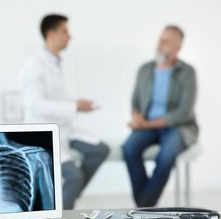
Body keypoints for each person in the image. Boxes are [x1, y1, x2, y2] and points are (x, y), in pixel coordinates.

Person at [19, 14, 109, 209]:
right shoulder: (34, 66)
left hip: (64, 128)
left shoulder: (56, 63)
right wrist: (74, 107)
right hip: (42, 132)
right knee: (74, 177)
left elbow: (55, 100)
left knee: (101, 149)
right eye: (65, 31)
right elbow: (34, 104)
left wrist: (76, 103)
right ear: (51, 33)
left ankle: (64, 199)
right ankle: (61, 218)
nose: (70, 36)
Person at [122, 25, 198, 207]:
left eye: (166, 41)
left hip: (177, 127)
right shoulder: (145, 69)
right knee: (129, 148)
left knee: (166, 155)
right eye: (160, 39)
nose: (160, 44)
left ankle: (144, 205)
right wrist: (136, 116)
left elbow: (184, 112)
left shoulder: (187, 72)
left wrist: (146, 125)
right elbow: (135, 102)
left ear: (178, 48)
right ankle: (146, 203)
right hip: (146, 126)